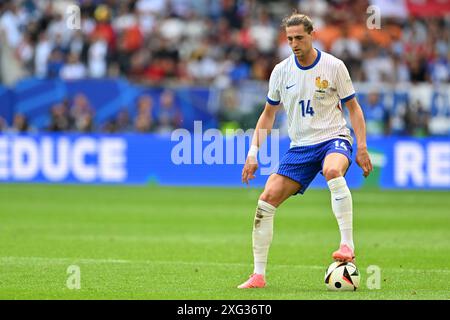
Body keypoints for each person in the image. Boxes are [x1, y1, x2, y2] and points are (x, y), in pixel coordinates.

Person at [237, 13, 373, 289]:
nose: (294, 43)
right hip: (300, 147)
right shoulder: (281, 71)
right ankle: (258, 275)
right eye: (290, 39)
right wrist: (253, 154)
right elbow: (267, 115)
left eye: (299, 37)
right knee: (266, 199)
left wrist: (361, 146)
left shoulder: (334, 66)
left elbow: (354, 109)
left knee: (332, 170)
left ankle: (347, 245)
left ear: (312, 35)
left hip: (333, 138)